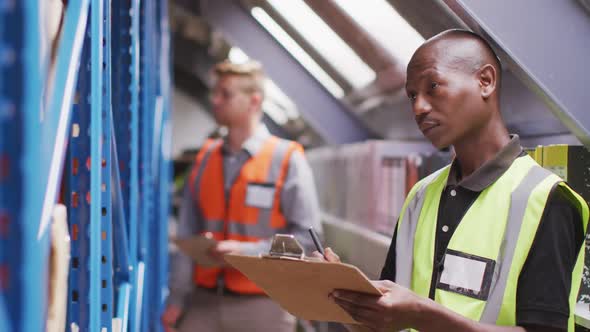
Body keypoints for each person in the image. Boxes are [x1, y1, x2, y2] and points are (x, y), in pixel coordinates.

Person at [323, 29, 589, 332]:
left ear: (485, 81)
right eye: (412, 95)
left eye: (433, 86)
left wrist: (423, 316)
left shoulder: (549, 201)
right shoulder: (421, 195)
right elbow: (391, 323)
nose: (419, 107)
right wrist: (346, 295)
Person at [161, 60, 323, 332]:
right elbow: (188, 234)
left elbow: (308, 240)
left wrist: (247, 252)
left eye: (225, 94)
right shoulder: (205, 158)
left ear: (254, 101)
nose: (215, 100)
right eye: (215, 92)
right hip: (204, 302)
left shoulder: (286, 158)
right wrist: (176, 299)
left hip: (265, 306)